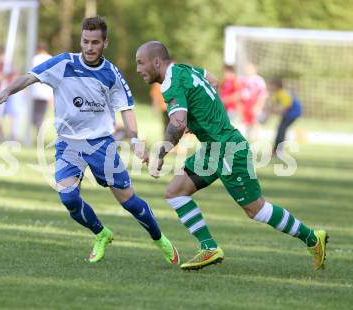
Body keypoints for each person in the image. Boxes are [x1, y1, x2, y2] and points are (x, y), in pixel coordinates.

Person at [0, 17, 179, 265]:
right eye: (85, 41)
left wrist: (135, 142)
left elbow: (127, 109)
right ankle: (101, 234)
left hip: (101, 144)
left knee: (129, 201)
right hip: (68, 144)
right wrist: (6, 91)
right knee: (68, 198)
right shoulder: (64, 63)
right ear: (80, 40)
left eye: (95, 43)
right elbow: (29, 77)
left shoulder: (110, 73)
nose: (89, 47)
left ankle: (160, 239)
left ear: (105, 43)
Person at [135, 41, 327, 271]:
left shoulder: (170, 83)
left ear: (156, 62)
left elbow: (176, 124)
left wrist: (160, 153)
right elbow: (213, 80)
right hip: (212, 148)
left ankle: (313, 239)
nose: (138, 69)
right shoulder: (185, 69)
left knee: (256, 209)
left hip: (228, 148)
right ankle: (209, 248)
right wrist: (202, 116)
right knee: (175, 192)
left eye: (140, 62)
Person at [268, 78, 302, 156]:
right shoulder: (277, 93)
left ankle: (278, 150)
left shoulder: (282, 93)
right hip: (289, 114)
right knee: (280, 129)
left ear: (277, 86)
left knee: (281, 130)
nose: (270, 87)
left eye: (271, 85)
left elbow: (287, 105)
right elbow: (274, 105)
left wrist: (275, 111)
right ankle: (276, 150)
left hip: (293, 113)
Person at [239, 63, 268, 141]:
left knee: (255, 123)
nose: (247, 70)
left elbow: (263, 94)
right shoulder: (242, 79)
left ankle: (257, 142)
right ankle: (243, 143)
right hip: (245, 106)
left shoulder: (259, 80)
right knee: (243, 124)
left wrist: (259, 106)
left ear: (255, 69)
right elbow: (239, 94)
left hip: (254, 105)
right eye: (246, 68)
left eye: (249, 68)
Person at [30, 42, 53, 138]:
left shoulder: (34, 59)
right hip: (46, 92)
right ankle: (39, 133)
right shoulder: (51, 59)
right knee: (41, 115)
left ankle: (37, 133)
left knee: (34, 115)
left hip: (35, 91)